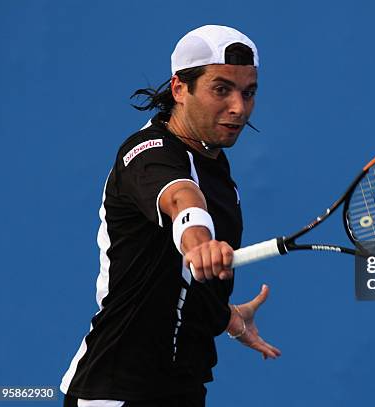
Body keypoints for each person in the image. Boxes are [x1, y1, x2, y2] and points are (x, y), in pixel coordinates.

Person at [60, 25, 281, 407]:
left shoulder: (216, 168)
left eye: (248, 92)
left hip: (180, 389)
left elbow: (170, 278)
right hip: (116, 394)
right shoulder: (149, 152)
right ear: (179, 89)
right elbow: (182, 198)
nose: (238, 108)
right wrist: (199, 242)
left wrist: (224, 315)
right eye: (221, 89)